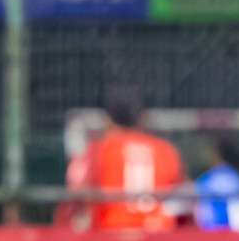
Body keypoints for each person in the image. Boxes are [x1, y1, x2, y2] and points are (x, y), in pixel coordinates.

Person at [64, 87, 185, 232]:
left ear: (107, 120)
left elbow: (78, 194)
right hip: (159, 231)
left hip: (113, 232)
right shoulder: (165, 150)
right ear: (143, 117)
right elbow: (182, 198)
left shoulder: (98, 150)